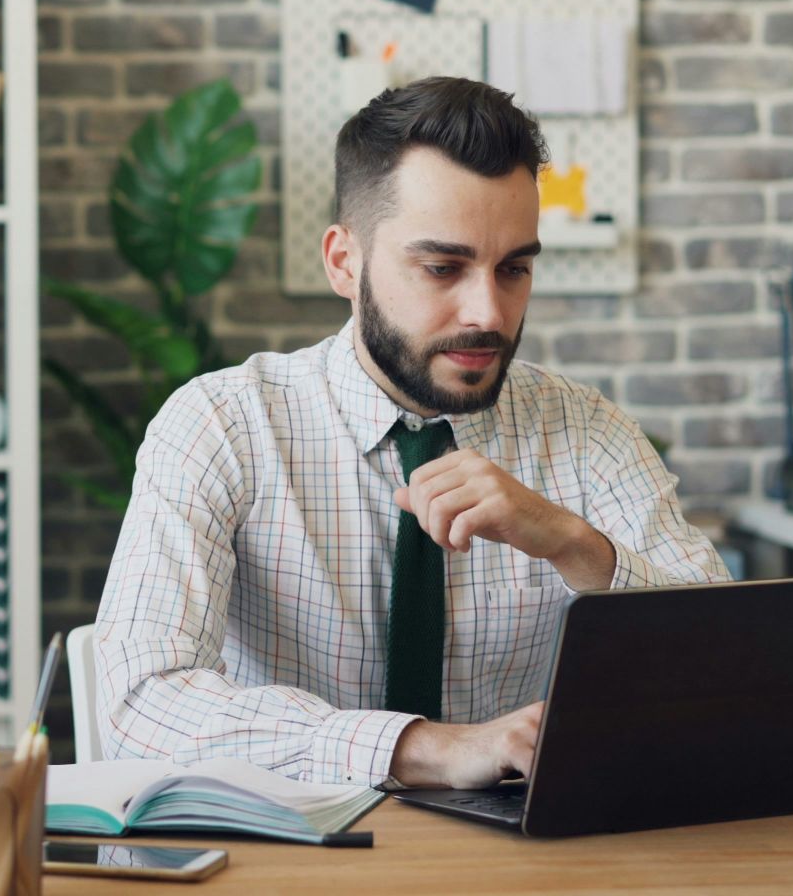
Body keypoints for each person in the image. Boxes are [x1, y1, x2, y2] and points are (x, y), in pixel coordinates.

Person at [94, 77, 729, 790]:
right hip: (290, 859)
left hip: (523, 866)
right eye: (442, 268)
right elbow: (141, 707)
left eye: (514, 267)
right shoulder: (225, 425)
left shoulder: (588, 432)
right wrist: (423, 748)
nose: (487, 311)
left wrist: (573, 544)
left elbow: (725, 669)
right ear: (344, 262)